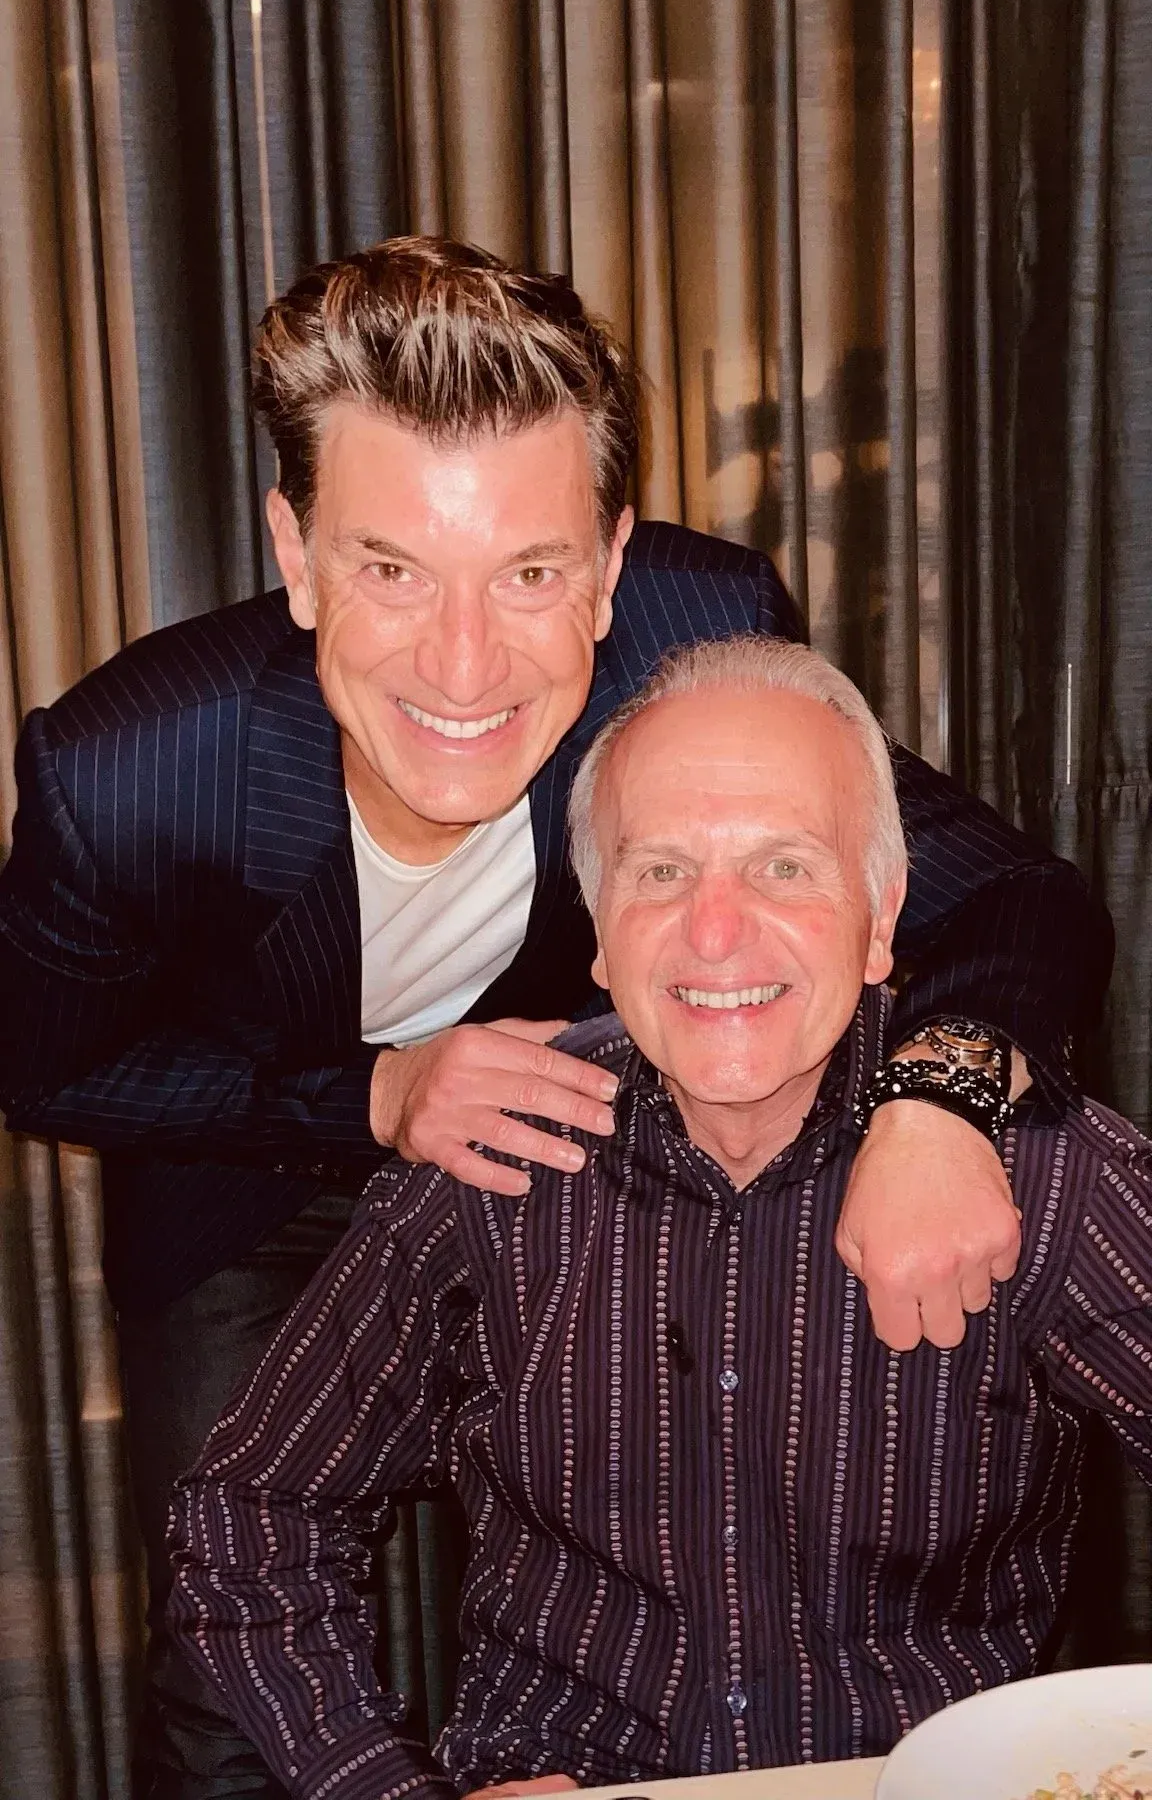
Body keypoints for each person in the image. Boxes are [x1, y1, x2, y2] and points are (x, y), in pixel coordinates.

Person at [0, 241, 1109, 1798]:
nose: (464, 663)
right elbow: (47, 1066)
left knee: (642, 1574)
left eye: (530, 573)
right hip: (252, 1183)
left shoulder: (697, 636)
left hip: (570, 1147)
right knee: (228, 1645)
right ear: (295, 553)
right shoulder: (127, 770)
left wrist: (939, 1099)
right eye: (392, 569)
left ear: (608, 565)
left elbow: (1016, 899)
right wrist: (375, 1096)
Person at [168, 635, 1152, 1794]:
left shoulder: (1027, 1168)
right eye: (661, 871)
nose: (716, 930)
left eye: (784, 865)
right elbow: (248, 1518)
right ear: (597, 926)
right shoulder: (490, 1165)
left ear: (883, 915)